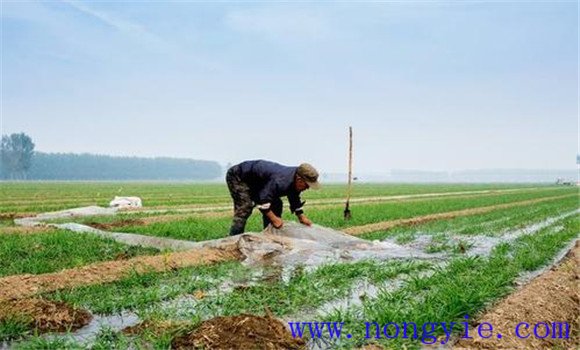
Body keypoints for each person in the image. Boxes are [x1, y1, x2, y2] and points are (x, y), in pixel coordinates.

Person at [226, 160, 320, 235]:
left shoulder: (295, 178)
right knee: (245, 207)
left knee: (276, 204)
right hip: (239, 177)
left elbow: (294, 196)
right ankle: (234, 238)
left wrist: (301, 217)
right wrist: (274, 219)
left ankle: (270, 235)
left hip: (259, 181)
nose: (308, 188)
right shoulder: (280, 181)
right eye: (307, 185)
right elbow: (263, 200)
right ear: (299, 179)